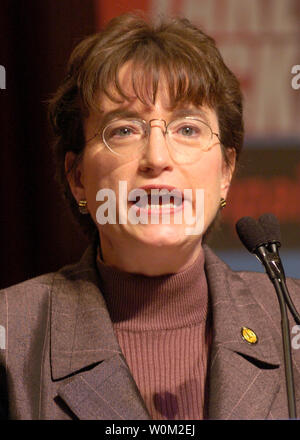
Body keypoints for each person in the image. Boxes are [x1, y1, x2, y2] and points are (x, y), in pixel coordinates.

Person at [0, 12, 300, 421]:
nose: (157, 158)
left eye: (188, 129)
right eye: (124, 130)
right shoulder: (11, 337)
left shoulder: (291, 320)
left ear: (226, 173)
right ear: (77, 178)